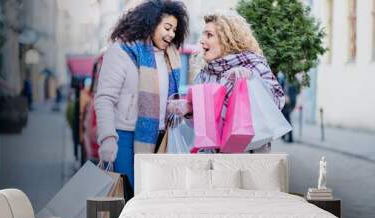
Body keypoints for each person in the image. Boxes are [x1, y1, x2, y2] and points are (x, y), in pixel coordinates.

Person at [94, 0, 189, 195]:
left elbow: (165, 98)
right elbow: (104, 99)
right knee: (130, 195)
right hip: (127, 136)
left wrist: (175, 107)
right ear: (151, 23)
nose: (171, 34)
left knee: (153, 197)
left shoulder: (169, 56)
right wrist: (107, 139)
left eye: (174, 30)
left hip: (162, 137)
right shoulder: (122, 51)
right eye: (167, 27)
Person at [193, 12, 285, 153]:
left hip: (249, 156)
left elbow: (276, 101)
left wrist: (251, 78)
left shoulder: (252, 64)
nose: (202, 40)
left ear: (227, 39)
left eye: (209, 35)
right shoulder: (204, 74)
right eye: (203, 34)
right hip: (213, 158)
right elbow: (198, 125)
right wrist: (188, 111)